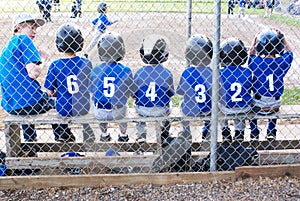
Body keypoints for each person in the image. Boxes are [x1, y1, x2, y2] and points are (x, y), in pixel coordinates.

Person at [0, 13, 73, 142]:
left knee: (28, 100)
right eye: (31, 27)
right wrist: (43, 59)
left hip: (12, 105)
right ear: (18, 28)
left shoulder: (6, 49)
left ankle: (30, 142)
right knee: (59, 101)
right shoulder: (24, 39)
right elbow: (33, 72)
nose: (34, 31)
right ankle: (63, 137)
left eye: (36, 29)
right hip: (31, 103)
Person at [44, 23, 95, 142]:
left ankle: (63, 133)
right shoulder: (86, 63)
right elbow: (91, 86)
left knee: (53, 102)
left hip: (64, 108)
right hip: (83, 107)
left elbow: (49, 92)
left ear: (59, 44)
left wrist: (62, 90)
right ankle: (87, 130)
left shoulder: (55, 65)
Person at [248, 28, 293, 141]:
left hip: (258, 104)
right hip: (275, 104)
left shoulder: (257, 62)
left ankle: (254, 131)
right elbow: (290, 53)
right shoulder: (281, 62)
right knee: (274, 108)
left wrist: (254, 42)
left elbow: (251, 54)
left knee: (249, 109)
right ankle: (271, 130)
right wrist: (283, 38)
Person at [89, 31, 134, 142]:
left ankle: (104, 134)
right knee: (125, 110)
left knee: (99, 107)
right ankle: (123, 135)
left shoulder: (96, 70)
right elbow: (130, 91)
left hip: (100, 111)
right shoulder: (126, 70)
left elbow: (92, 90)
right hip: (118, 110)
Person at [132, 35, 175, 143]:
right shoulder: (167, 73)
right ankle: (164, 131)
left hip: (143, 109)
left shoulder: (139, 73)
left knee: (135, 106)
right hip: (161, 110)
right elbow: (170, 94)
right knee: (170, 104)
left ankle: (141, 135)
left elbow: (133, 95)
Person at [176, 34, 213, 141]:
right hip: (208, 109)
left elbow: (180, 92)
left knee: (181, 104)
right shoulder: (212, 73)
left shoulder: (187, 73)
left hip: (190, 109)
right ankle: (207, 130)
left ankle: (187, 131)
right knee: (214, 105)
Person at [218, 38, 253, 141]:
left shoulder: (219, 73)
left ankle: (225, 130)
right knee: (241, 104)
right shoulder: (247, 72)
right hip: (245, 108)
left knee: (217, 106)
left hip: (226, 108)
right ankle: (239, 132)